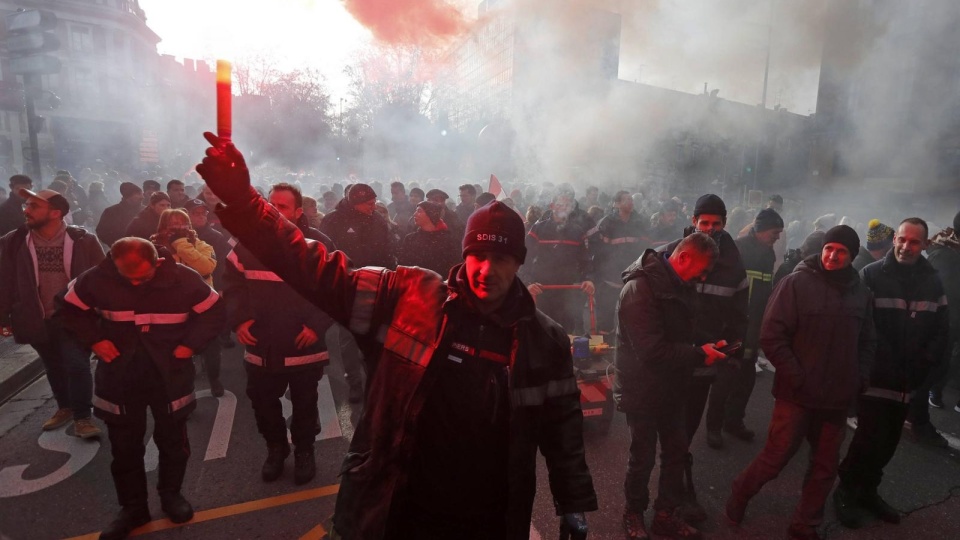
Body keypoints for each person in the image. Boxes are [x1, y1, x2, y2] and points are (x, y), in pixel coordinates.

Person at [196, 134, 597, 539]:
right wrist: (246, 204)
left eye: (502, 258)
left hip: (488, 517)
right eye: (478, 255)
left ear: (519, 262)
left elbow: (562, 429)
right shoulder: (406, 298)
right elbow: (311, 265)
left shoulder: (545, 340)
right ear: (464, 254)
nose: (487, 270)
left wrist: (574, 504)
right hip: (401, 508)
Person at [58, 237, 224, 540]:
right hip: (119, 377)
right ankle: (133, 508)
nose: (136, 283)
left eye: (143, 277)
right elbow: (67, 309)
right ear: (114, 263)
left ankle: (171, 495)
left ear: (157, 262)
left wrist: (190, 346)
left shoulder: (184, 278)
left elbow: (214, 312)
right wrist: (94, 339)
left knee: (173, 441)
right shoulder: (95, 279)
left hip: (169, 374)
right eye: (128, 277)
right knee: (124, 447)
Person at [725, 225, 876, 540]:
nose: (832, 255)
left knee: (824, 467)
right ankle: (740, 492)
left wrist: (859, 378)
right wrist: (796, 375)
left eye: (841, 251)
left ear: (851, 256)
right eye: (828, 248)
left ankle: (805, 524)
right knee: (775, 457)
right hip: (796, 395)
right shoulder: (796, 283)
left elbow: (867, 341)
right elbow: (772, 334)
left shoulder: (861, 293)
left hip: (836, 398)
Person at [833, 218, 950, 530]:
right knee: (867, 438)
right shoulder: (870, 275)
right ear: (894, 239)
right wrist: (882, 362)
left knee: (888, 441)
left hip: (908, 382)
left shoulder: (933, 281)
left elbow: (941, 329)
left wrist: (925, 363)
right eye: (902, 239)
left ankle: (869, 491)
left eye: (914, 242)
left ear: (925, 245)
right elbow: (859, 325)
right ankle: (845, 491)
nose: (905, 246)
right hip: (876, 377)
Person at [225, 183, 336, 486]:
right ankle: (276, 448)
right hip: (262, 342)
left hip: (304, 343)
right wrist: (240, 320)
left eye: (282, 206)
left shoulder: (319, 245)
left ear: (299, 212)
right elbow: (232, 287)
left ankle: (304, 451)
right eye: (270, 203)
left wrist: (316, 325)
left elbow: (335, 291)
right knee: (262, 401)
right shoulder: (246, 245)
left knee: (304, 403)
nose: (274, 210)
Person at [617, 233, 726, 540]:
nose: (703, 278)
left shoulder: (683, 284)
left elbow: (681, 333)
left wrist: (703, 348)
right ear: (683, 258)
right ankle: (633, 513)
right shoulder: (639, 289)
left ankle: (665, 515)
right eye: (701, 270)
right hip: (642, 388)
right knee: (643, 457)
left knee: (676, 453)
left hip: (674, 384)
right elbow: (651, 350)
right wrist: (696, 354)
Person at [660, 194, 748, 522]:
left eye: (717, 223)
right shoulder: (672, 250)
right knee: (667, 427)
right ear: (694, 221)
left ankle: (678, 489)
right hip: (672, 357)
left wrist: (733, 354)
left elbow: (740, 315)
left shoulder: (733, 263)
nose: (710, 228)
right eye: (704, 222)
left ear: (725, 224)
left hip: (706, 362)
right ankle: (672, 492)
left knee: (686, 426)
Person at [0, 188, 106, 437]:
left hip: (75, 318)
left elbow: (103, 279)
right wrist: (3, 317)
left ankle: (83, 417)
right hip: (36, 318)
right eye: (26, 205)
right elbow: (4, 281)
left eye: (34, 206)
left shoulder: (83, 240)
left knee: (77, 365)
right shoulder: (13, 241)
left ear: (56, 212)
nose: (26, 210)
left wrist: (108, 315)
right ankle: (65, 407)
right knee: (54, 366)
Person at [705, 208, 783, 447]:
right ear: (761, 229)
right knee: (726, 378)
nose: (777, 237)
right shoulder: (736, 249)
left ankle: (733, 421)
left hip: (755, 323)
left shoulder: (768, 253)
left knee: (746, 377)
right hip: (734, 323)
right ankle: (713, 428)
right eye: (775, 232)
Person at [523, 193, 595, 333]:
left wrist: (588, 279)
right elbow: (524, 259)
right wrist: (528, 283)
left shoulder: (577, 231)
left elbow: (585, 260)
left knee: (566, 330)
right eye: (560, 204)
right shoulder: (538, 229)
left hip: (568, 291)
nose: (564, 207)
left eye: (568, 205)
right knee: (541, 329)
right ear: (552, 206)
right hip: (541, 289)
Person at [184, 198, 231, 396]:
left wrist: (221, 287)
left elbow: (223, 264)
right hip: (182, 298)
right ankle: (186, 386)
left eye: (203, 213)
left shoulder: (216, 237)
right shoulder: (169, 238)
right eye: (195, 213)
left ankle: (214, 379)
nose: (201, 216)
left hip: (208, 292)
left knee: (212, 341)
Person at [590, 191, 648, 333]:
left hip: (631, 279)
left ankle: (628, 349)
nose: (631, 202)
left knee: (632, 317)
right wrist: (600, 274)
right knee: (605, 318)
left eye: (631, 199)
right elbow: (596, 251)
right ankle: (605, 347)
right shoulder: (606, 223)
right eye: (626, 200)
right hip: (609, 279)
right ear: (617, 204)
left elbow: (645, 248)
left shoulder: (639, 222)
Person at [928, 214, 960, 410]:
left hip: (952, 314)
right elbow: (944, 289)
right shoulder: (945, 254)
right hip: (949, 315)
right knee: (944, 356)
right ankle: (934, 390)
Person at [397, 201, 463, 277]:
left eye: (419, 211)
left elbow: (454, 267)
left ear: (430, 215)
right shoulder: (410, 239)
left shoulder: (448, 240)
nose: (414, 214)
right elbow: (403, 265)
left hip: (439, 285)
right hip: (414, 284)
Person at [97, 183, 144, 248]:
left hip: (143, 251)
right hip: (120, 252)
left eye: (142, 194)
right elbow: (102, 231)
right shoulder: (111, 212)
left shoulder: (146, 211)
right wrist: (116, 244)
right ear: (128, 196)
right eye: (138, 194)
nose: (142, 197)